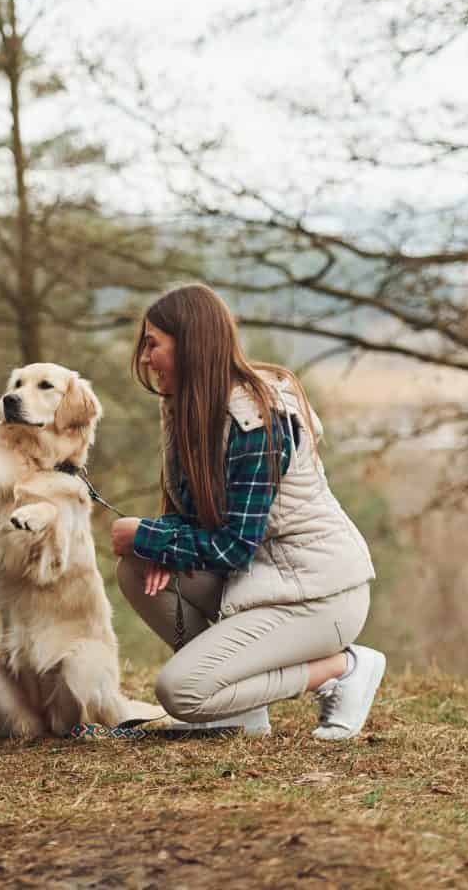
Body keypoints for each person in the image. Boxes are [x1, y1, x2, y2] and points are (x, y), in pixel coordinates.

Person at [109, 283, 386, 740]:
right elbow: (210, 520)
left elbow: (235, 545)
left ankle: (343, 666)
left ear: (192, 344)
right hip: (261, 579)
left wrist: (148, 535)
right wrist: (152, 542)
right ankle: (238, 710)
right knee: (135, 568)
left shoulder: (255, 421)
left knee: (180, 691)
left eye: (152, 343)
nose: (144, 357)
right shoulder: (190, 410)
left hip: (316, 595)